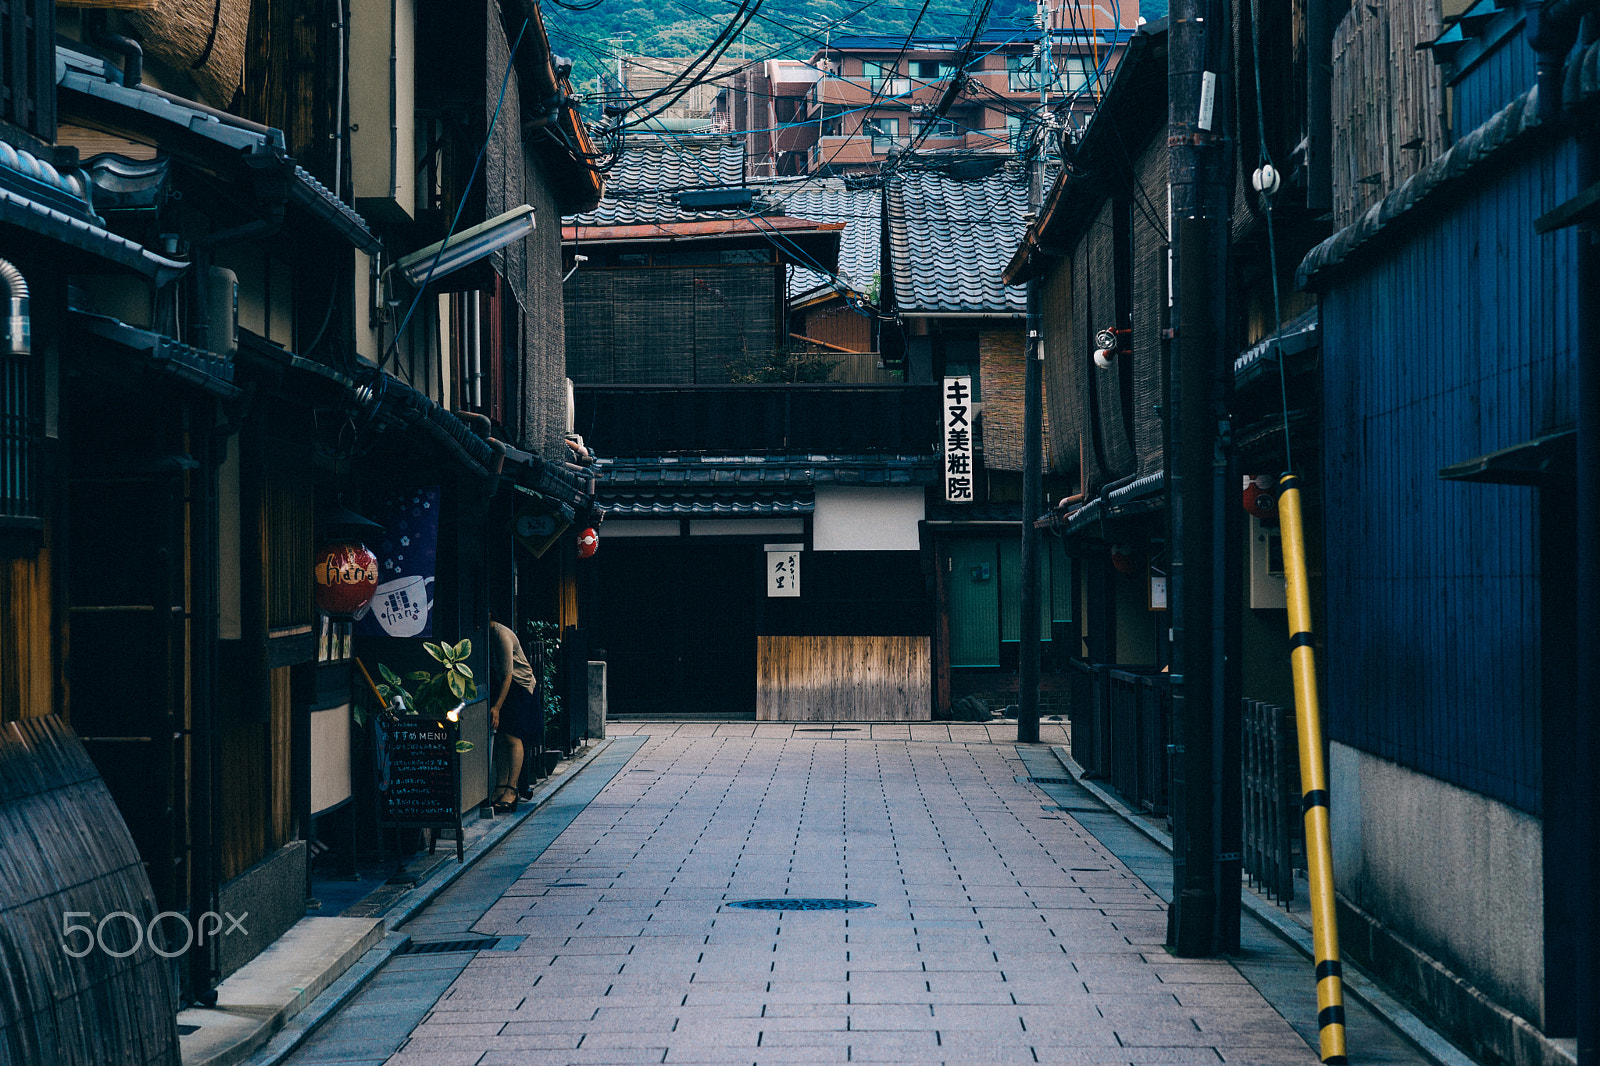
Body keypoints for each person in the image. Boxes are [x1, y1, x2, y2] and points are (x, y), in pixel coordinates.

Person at [488, 613, 539, 813]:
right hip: (504, 685)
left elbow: (509, 675)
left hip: (520, 686)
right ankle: (500, 786)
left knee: (512, 736)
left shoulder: (501, 635)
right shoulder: (487, 635)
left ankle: (512, 789)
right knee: (500, 736)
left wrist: (497, 707)